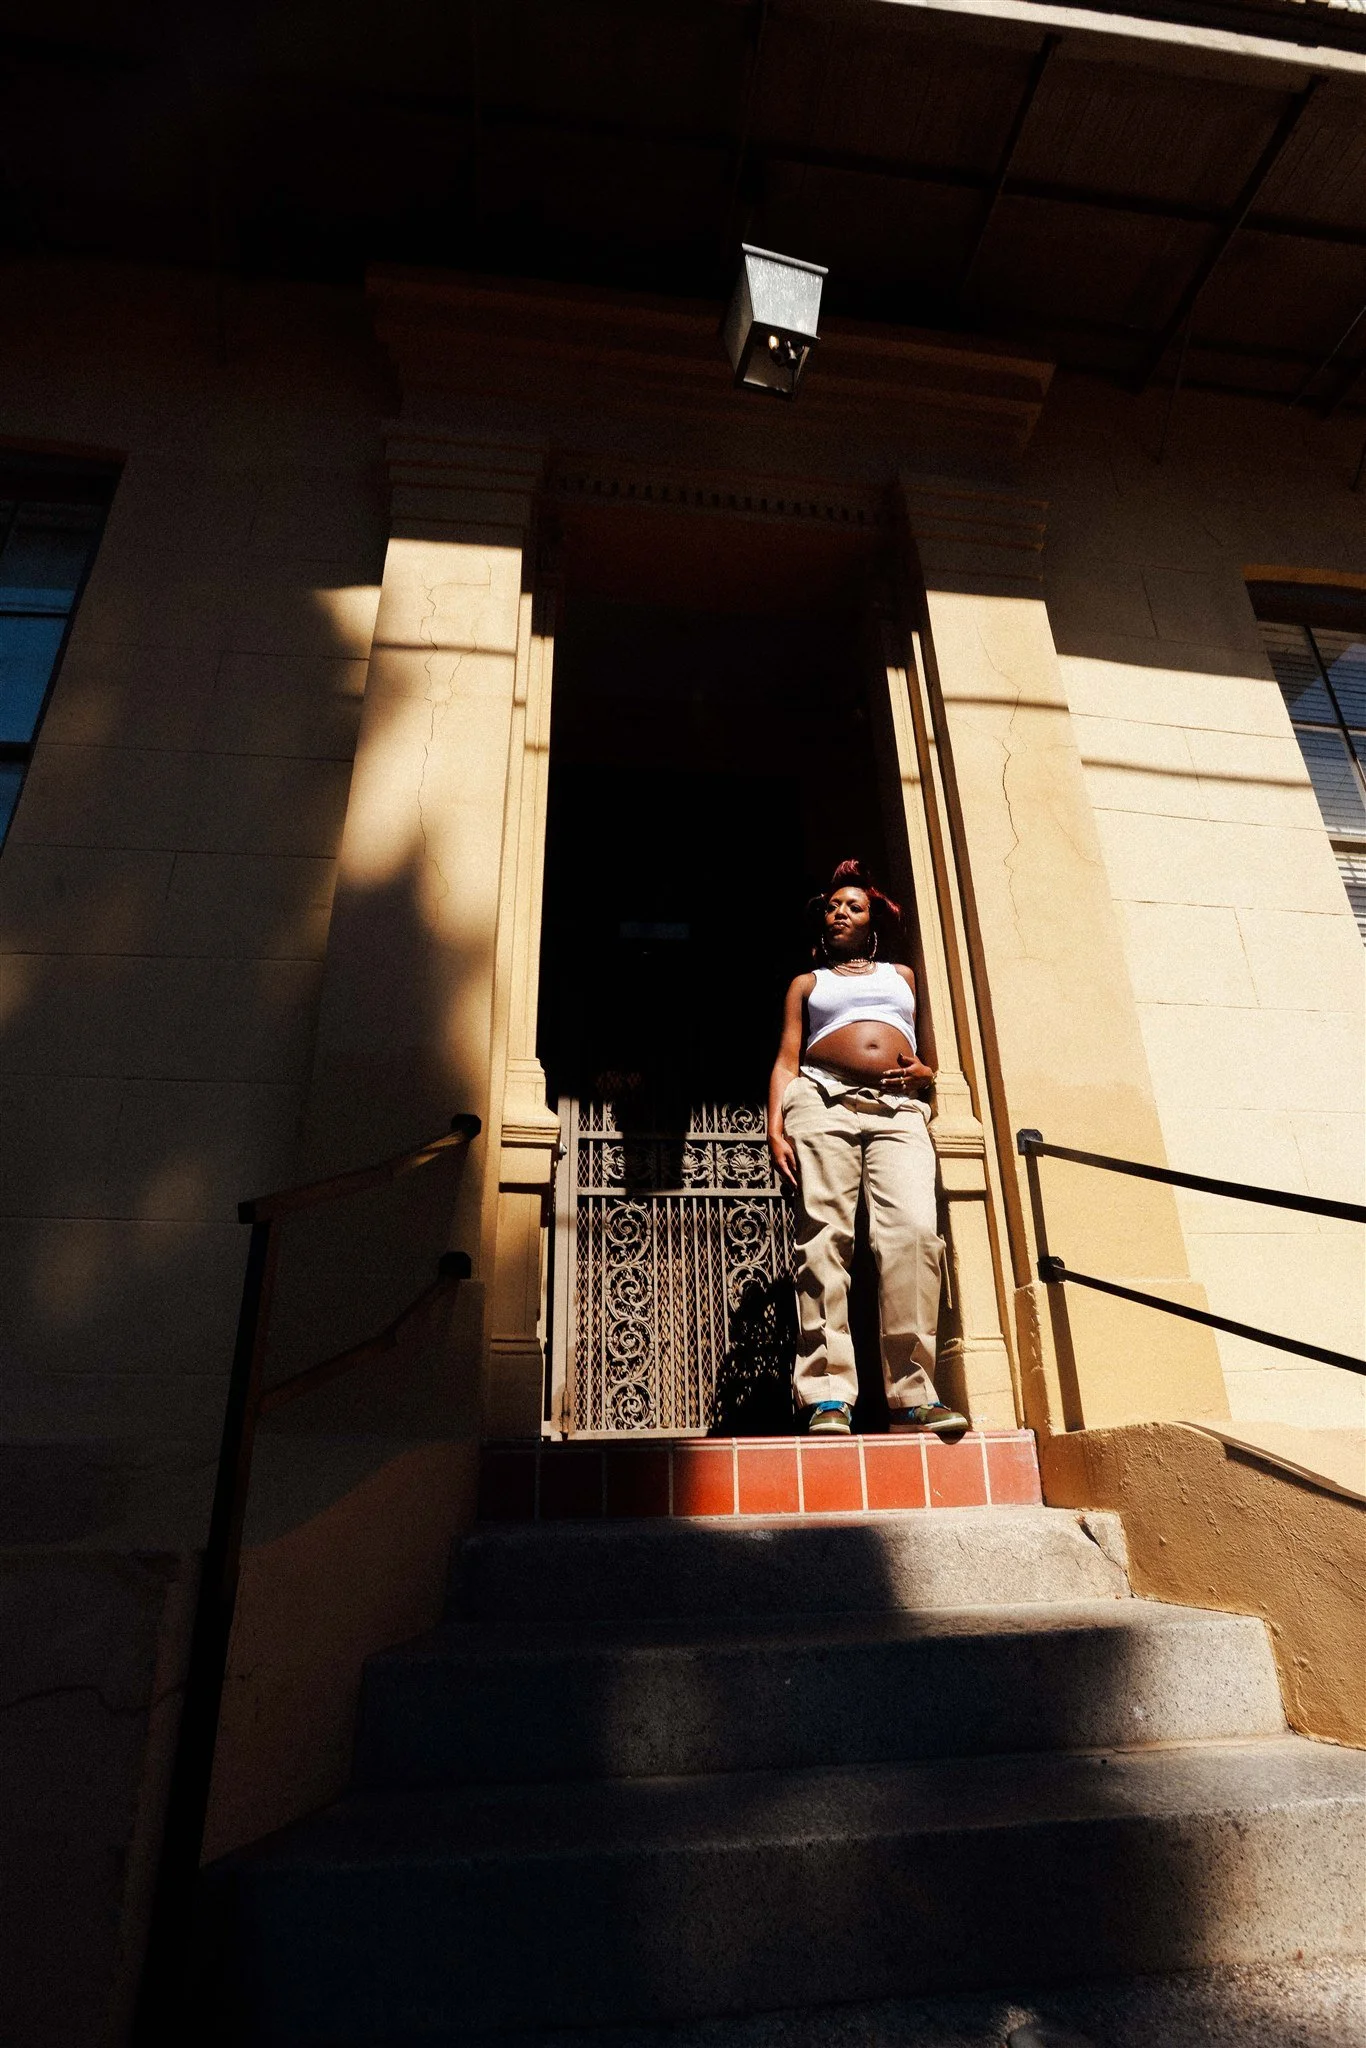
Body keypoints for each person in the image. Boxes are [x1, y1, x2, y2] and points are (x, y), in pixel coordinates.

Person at [767, 860, 969, 1439]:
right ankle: (826, 1395)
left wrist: (928, 1072)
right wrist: (774, 1126)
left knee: (912, 1234)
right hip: (820, 1099)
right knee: (824, 1239)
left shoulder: (903, 976)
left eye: (853, 906)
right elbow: (787, 1059)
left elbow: (931, 1053)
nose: (840, 912)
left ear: (872, 918)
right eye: (833, 906)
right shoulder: (808, 983)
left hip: (898, 1108)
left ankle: (913, 1394)